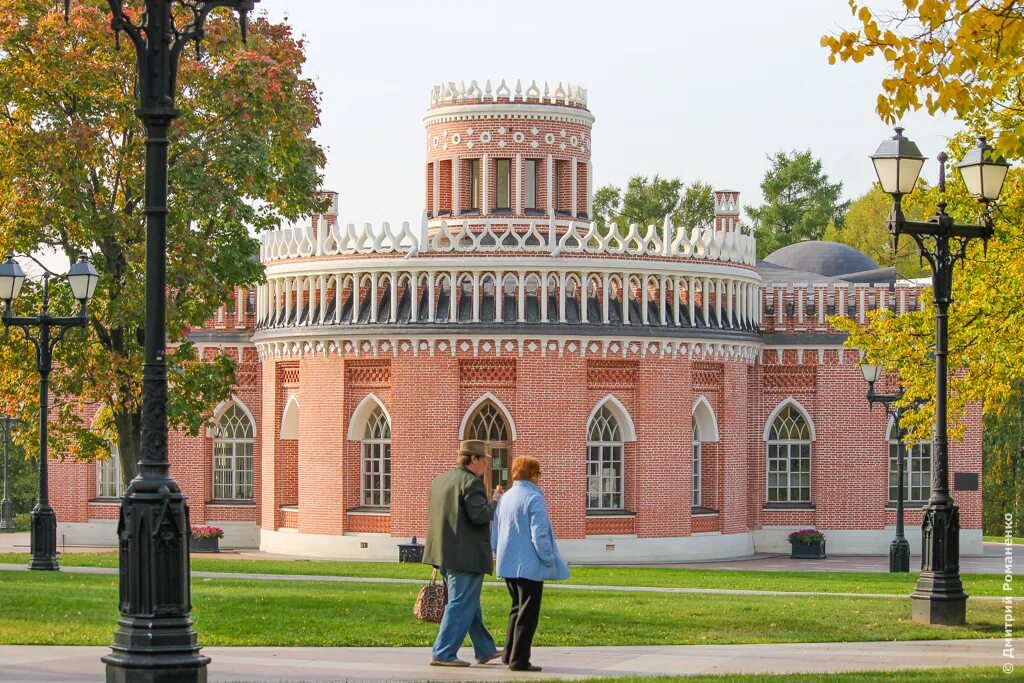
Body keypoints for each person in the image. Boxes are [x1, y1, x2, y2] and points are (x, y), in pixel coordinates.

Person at [423, 439, 504, 667]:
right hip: (466, 556)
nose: (486, 466)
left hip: (444, 554)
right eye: (484, 461)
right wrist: (495, 502)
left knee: (470, 603)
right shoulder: (472, 483)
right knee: (460, 603)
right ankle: (443, 652)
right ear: (474, 459)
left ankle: (485, 649)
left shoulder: (441, 481)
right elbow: (479, 515)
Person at [491, 455, 570, 673]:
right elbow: (540, 534)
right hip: (529, 564)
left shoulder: (506, 497)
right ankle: (520, 660)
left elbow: (495, 530)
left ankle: (508, 654)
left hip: (507, 562)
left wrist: (496, 552)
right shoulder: (534, 498)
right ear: (534, 474)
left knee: (516, 609)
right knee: (528, 614)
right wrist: (548, 558)